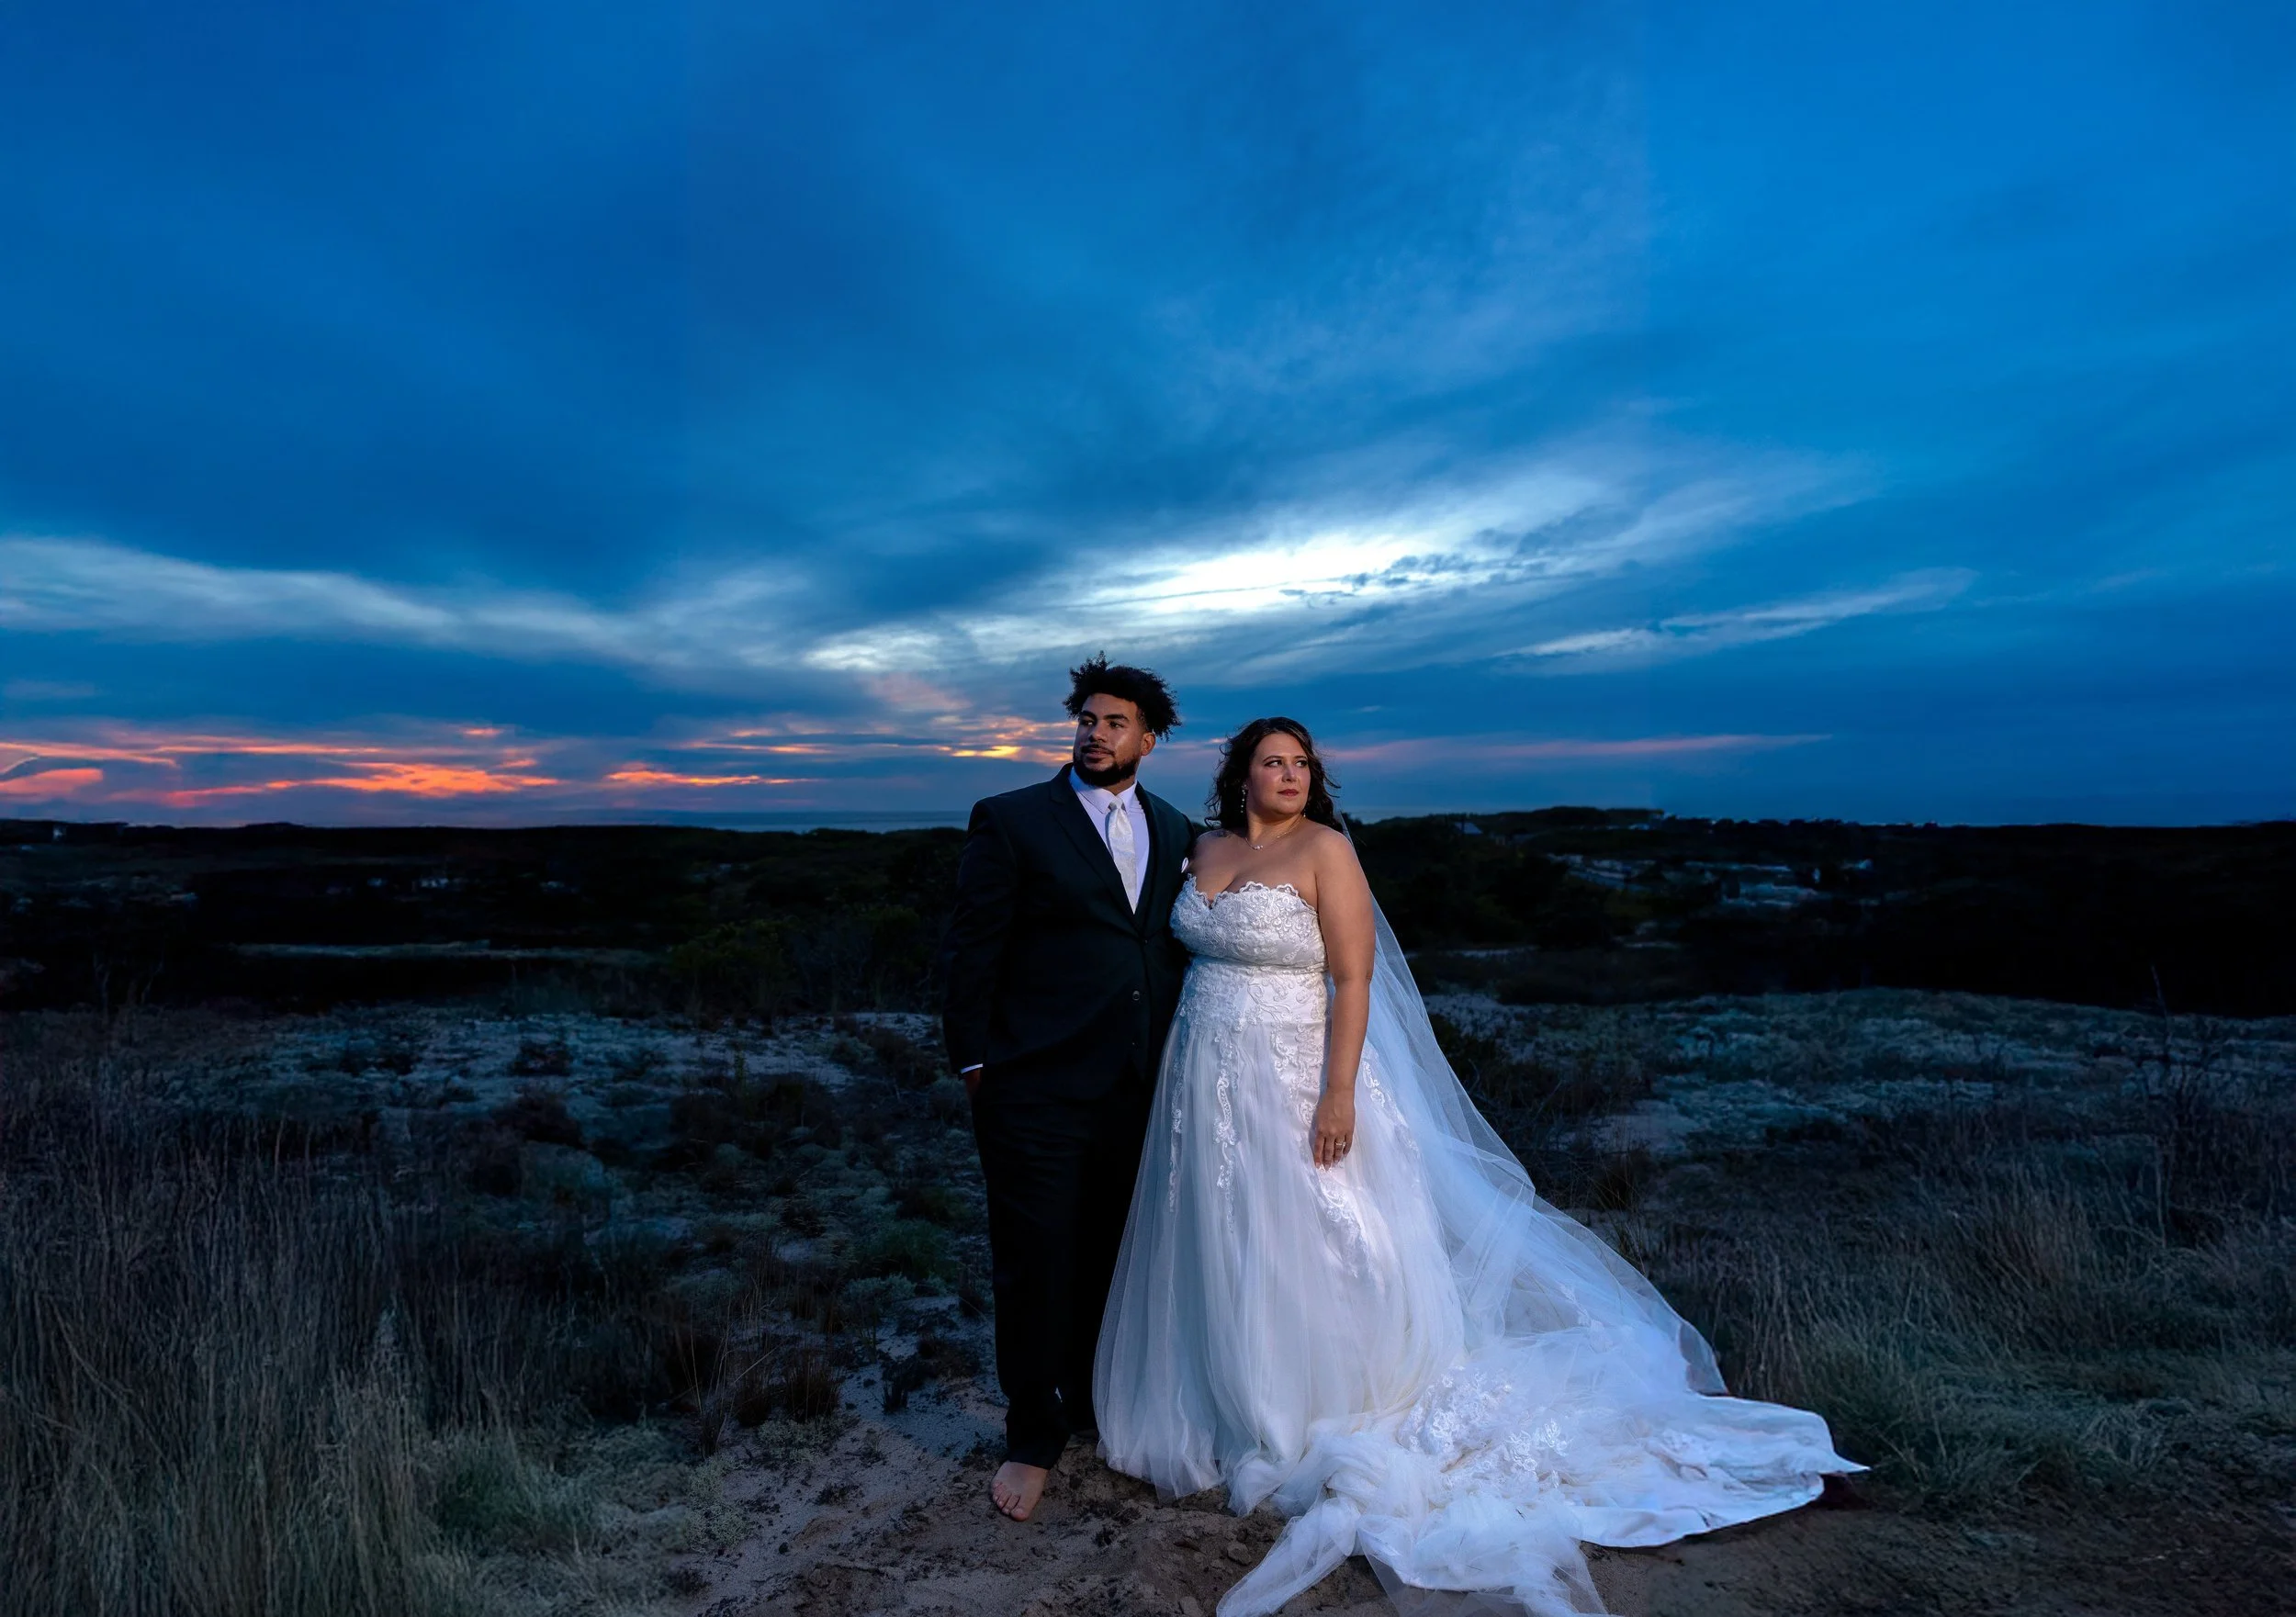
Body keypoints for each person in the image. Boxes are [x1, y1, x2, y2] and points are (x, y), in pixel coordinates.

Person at [1096, 717, 1862, 1617]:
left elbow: (1352, 979)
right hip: (1202, 1071)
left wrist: (1337, 1093)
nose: (1291, 775)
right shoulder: (1204, 848)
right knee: (1219, 1230)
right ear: (1240, 775)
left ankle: (1318, 1396)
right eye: (1273, 762)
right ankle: (1222, 1388)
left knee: (1320, 1235)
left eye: (1302, 763)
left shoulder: (1326, 851)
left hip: (1295, 1071)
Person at [938, 656, 1196, 1522]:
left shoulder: (1176, 826)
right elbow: (973, 946)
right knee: (1034, 1259)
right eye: (1086, 718)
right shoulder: (1011, 820)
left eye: (1114, 722)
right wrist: (974, 1060)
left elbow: (1166, 950)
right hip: (1032, 1084)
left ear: (1148, 739)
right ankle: (1031, 1435)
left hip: (1138, 1081)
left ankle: (1092, 1408)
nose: (1095, 732)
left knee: (1111, 1255)